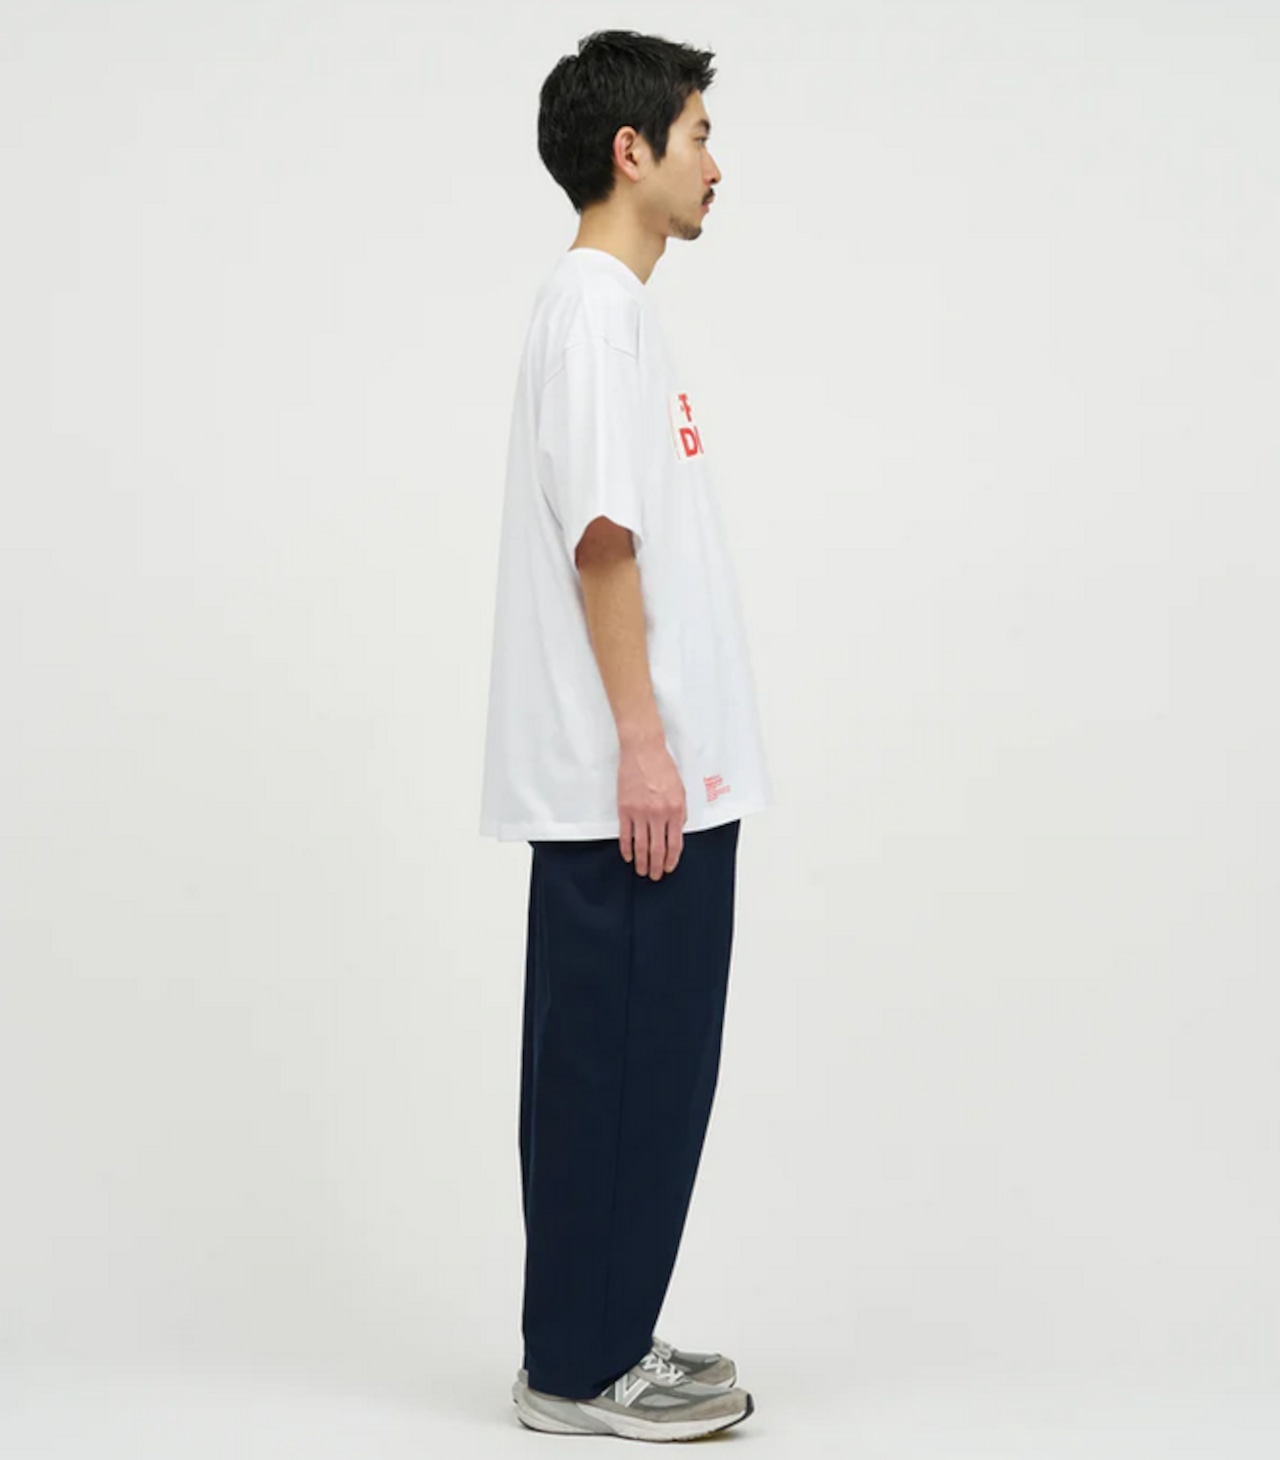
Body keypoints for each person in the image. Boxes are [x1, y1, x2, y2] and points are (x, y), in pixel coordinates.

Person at [478, 28, 773, 1443]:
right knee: (622, 1068)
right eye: (699, 134)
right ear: (631, 149)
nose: (718, 164)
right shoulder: (596, 312)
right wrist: (644, 750)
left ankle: (595, 1333)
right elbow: (605, 541)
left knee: (633, 1066)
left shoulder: (613, 314)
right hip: (634, 791)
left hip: (649, 782)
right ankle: (582, 1369)